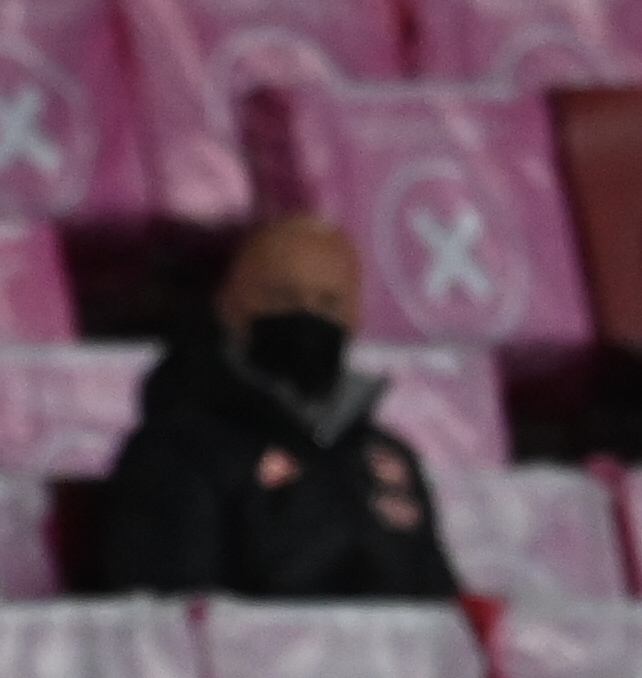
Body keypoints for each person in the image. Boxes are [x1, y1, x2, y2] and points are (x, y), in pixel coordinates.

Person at [96, 215, 460, 601]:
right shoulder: (176, 452)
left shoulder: (388, 458)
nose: (307, 316)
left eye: (329, 303)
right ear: (228, 304)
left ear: (355, 317)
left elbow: (443, 612)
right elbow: (173, 621)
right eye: (282, 298)